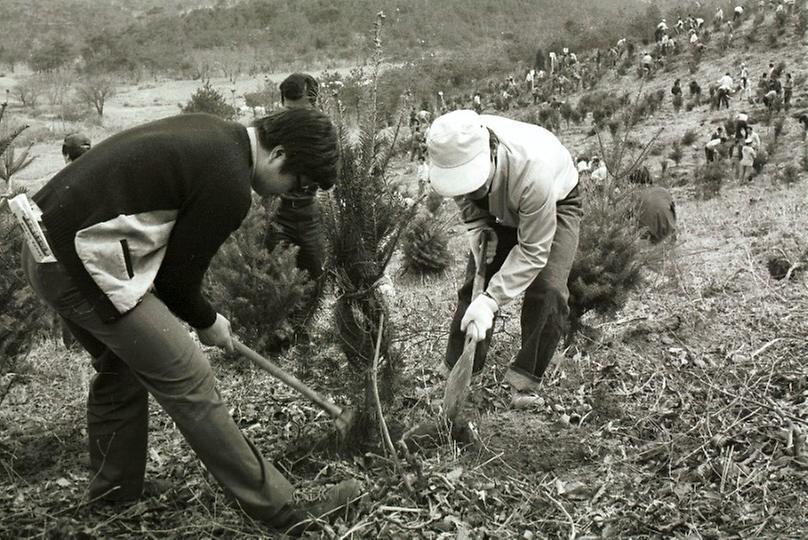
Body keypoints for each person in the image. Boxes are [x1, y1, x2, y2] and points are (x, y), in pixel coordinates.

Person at [22, 109, 359, 534]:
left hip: (42, 247)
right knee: (190, 374)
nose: (289, 196)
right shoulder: (229, 182)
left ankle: (114, 490)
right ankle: (284, 509)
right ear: (279, 154)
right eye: (300, 184)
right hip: (76, 263)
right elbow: (176, 281)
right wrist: (207, 320)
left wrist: (197, 313)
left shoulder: (215, 132)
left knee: (122, 363)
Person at [425, 110, 582, 396]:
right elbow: (464, 194)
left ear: (492, 153)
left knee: (549, 290)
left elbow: (533, 251)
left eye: (475, 182)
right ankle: (458, 373)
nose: (469, 189)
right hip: (501, 202)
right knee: (476, 283)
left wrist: (491, 302)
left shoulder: (534, 170)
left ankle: (524, 382)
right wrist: (477, 226)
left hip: (555, 203)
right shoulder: (453, 146)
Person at [265, 73, 326, 351]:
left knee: (314, 270)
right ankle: (280, 335)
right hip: (278, 214)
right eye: (289, 109)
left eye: (301, 109)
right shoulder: (272, 130)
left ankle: (303, 329)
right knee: (278, 275)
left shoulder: (322, 131)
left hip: (308, 211)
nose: (295, 117)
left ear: (314, 103)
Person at [628, 168, 676, 244]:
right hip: (669, 237)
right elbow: (673, 214)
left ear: (632, 182)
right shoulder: (663, 191)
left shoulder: (633, 196)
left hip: (647, 242)